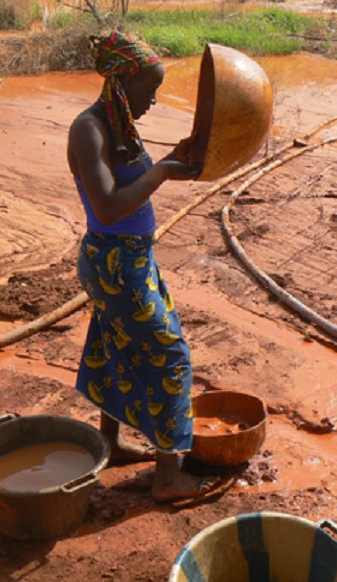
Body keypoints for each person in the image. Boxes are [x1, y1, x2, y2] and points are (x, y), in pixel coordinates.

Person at [68, 30, 225, 505]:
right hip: (116, 263)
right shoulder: (89, 129)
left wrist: (175, 158)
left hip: (131, 259)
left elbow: (131, 180)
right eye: (150, 89)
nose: (154, 100)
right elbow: (110, 206)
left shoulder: (118, 122)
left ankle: (111, 443)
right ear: (123, 80)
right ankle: (168, 477)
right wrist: (161, 173)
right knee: (170, 354)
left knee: (115, 343)